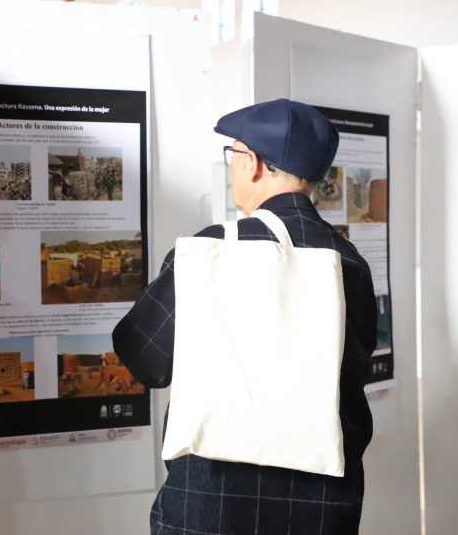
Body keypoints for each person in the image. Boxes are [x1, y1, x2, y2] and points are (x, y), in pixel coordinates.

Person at [112, 99, 377, 535]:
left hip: (210, 507)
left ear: (251, 163)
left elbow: (145, 359)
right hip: (323, 509)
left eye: (232, 154)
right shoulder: (350, 263)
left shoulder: (214, 251)